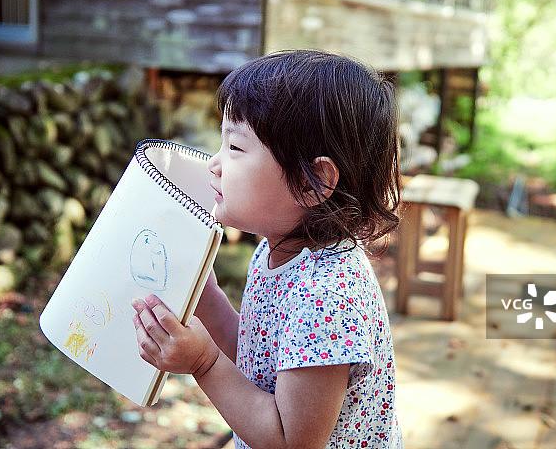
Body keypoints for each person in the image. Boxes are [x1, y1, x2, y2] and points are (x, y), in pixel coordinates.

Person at [131, 49, 403, 449]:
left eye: (236, 149)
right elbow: (258, 357)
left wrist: (204, 363)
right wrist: (204, 294)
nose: (215, 164)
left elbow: (291, 440)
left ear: (313, 181)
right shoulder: (278, 250)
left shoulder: (328, 297)